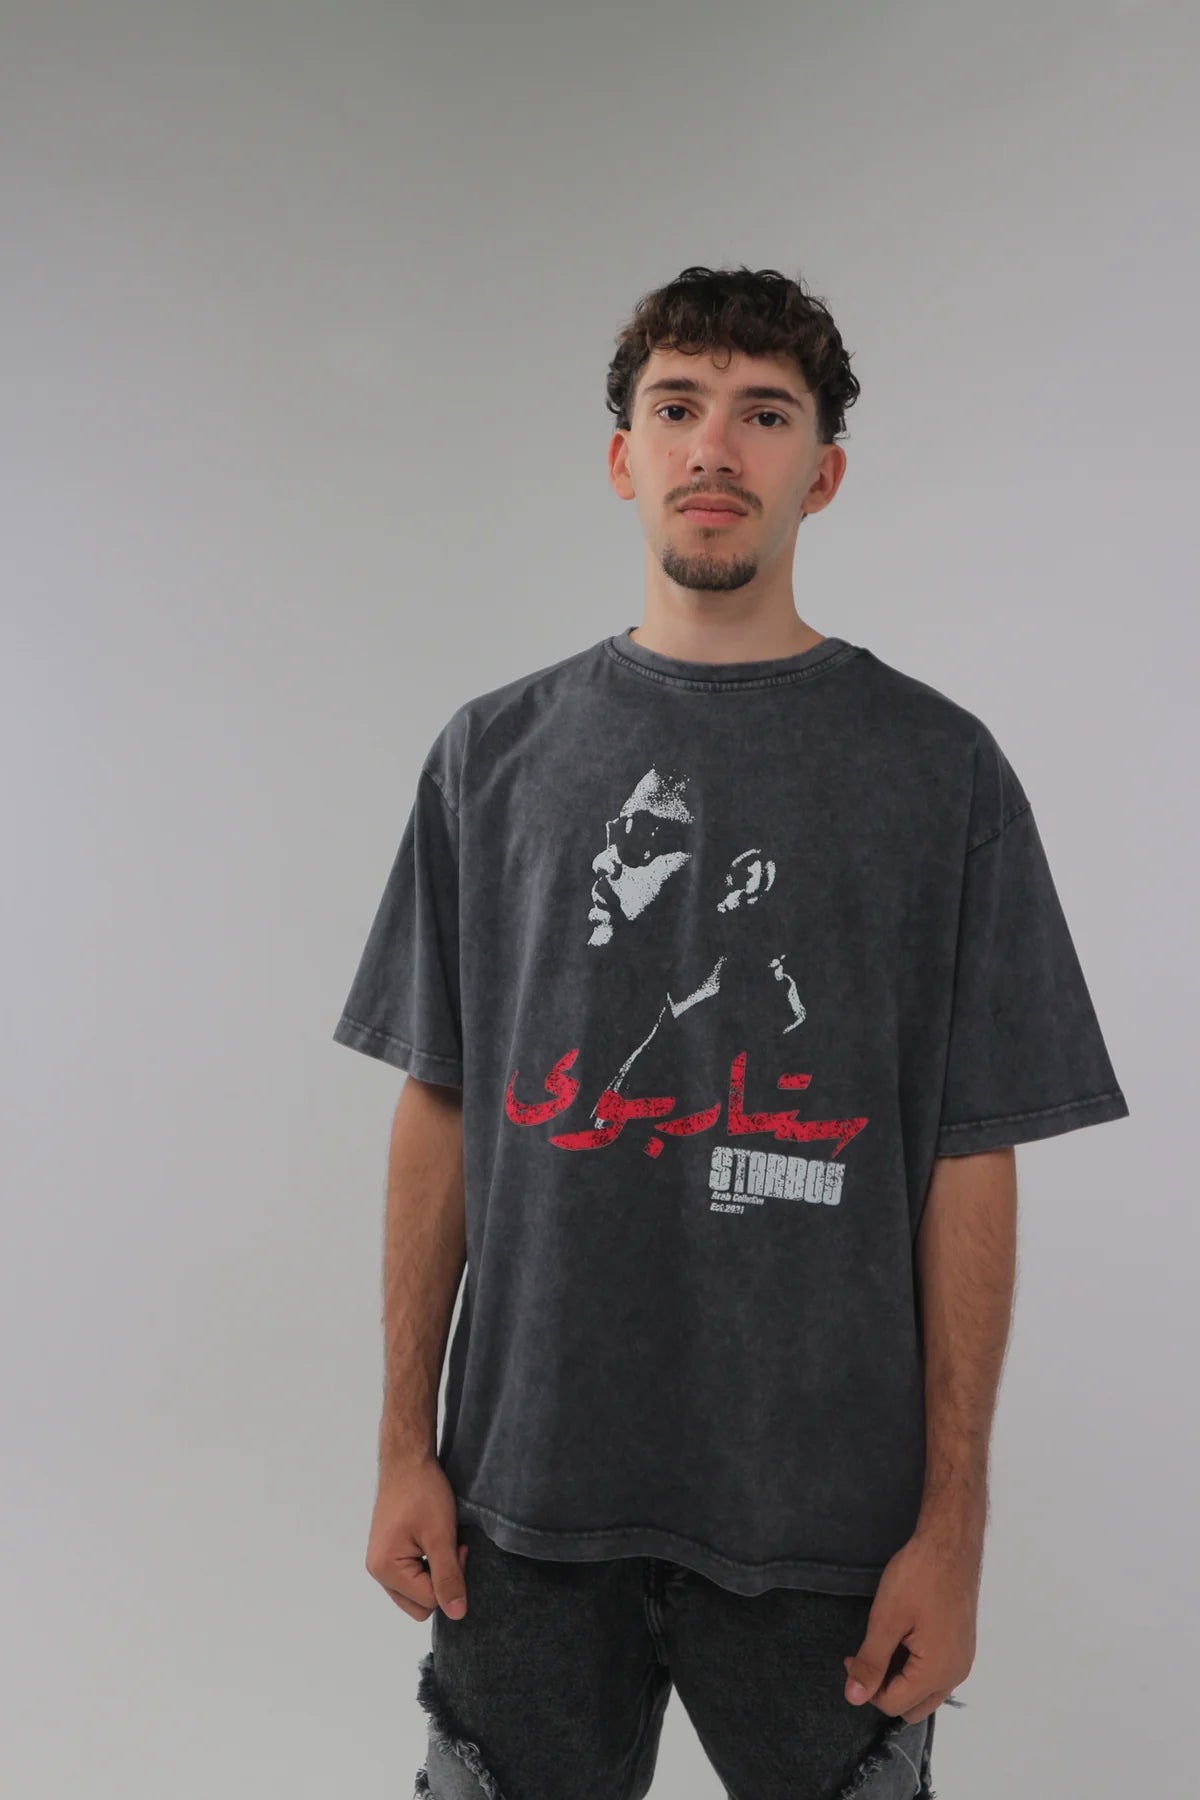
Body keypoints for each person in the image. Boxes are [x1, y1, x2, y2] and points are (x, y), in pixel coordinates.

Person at [332, 264, 1131, 1799]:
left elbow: (972, 1156)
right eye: (677, 407)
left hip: (827, 1531)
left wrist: (955, 1525)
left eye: (765, 414)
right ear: (621, 456)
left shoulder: (941, 773)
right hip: (521, 1511)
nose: (715, 446)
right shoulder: (492, 760)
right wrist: (399, 1446)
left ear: (821, 474)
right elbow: (441, 1106)